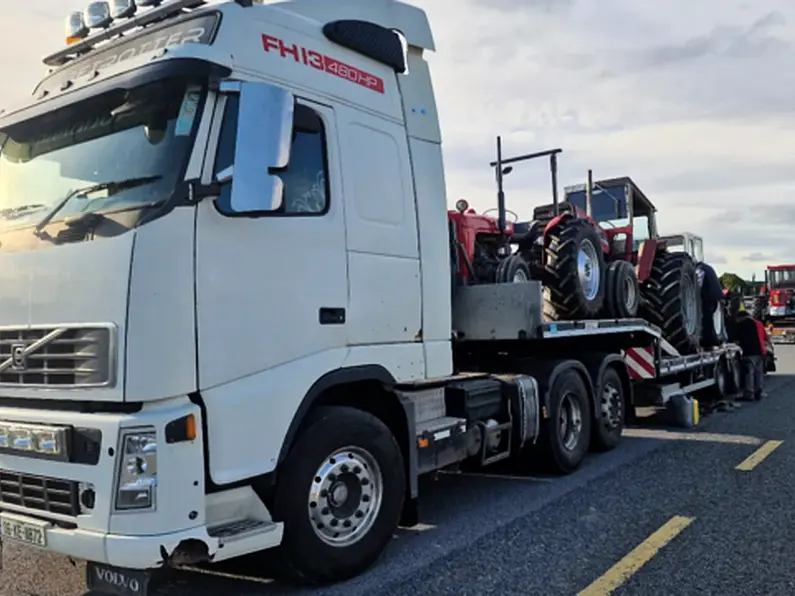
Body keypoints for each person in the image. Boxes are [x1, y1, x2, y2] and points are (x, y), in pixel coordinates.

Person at [730, 303, 766, 402]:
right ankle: (758, 390)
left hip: (749, 352)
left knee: (749, 373)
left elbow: (735, 338)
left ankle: (749, 394)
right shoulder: (754, 323)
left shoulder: (740, 325)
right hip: (759, 351)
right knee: (758, 372)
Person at [696, 262, 724, 347]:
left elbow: (699, 283)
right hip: (715, 296)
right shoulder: (707, 267)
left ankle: (710, 339)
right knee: (709, 318)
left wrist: (696, 294)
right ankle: (712, 339)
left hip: (708, 296)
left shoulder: (700, 269)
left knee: (706, 318)